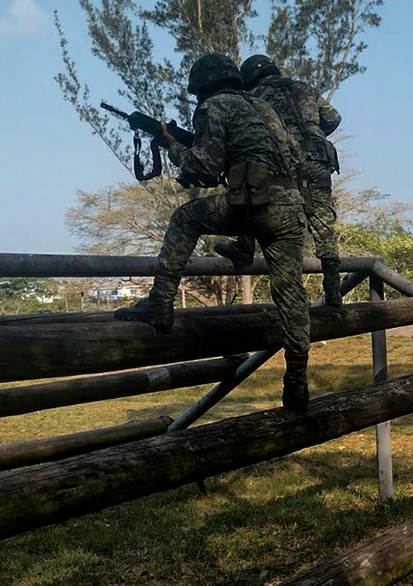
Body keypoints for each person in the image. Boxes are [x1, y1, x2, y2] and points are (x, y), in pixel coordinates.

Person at [114, 53, 312, 413]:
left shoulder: (213, 107)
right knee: (290, 293)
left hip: (255, 205)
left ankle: (160, 302)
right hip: (292, 208)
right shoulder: (265, 109)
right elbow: (293, 157)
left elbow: (204, 168)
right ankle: (297, 381)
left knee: (184, 219)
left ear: (202, 86)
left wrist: (172, 145)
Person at [213, 54, 345, 307]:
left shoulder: (257, 97)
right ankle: (333, 290)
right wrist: (313, 133)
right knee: (322, 223)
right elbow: (333, 118)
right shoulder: (304, 88)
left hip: (287, 161)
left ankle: (245, 247)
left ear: (249, 78)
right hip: (320, 159)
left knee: (260, 200)